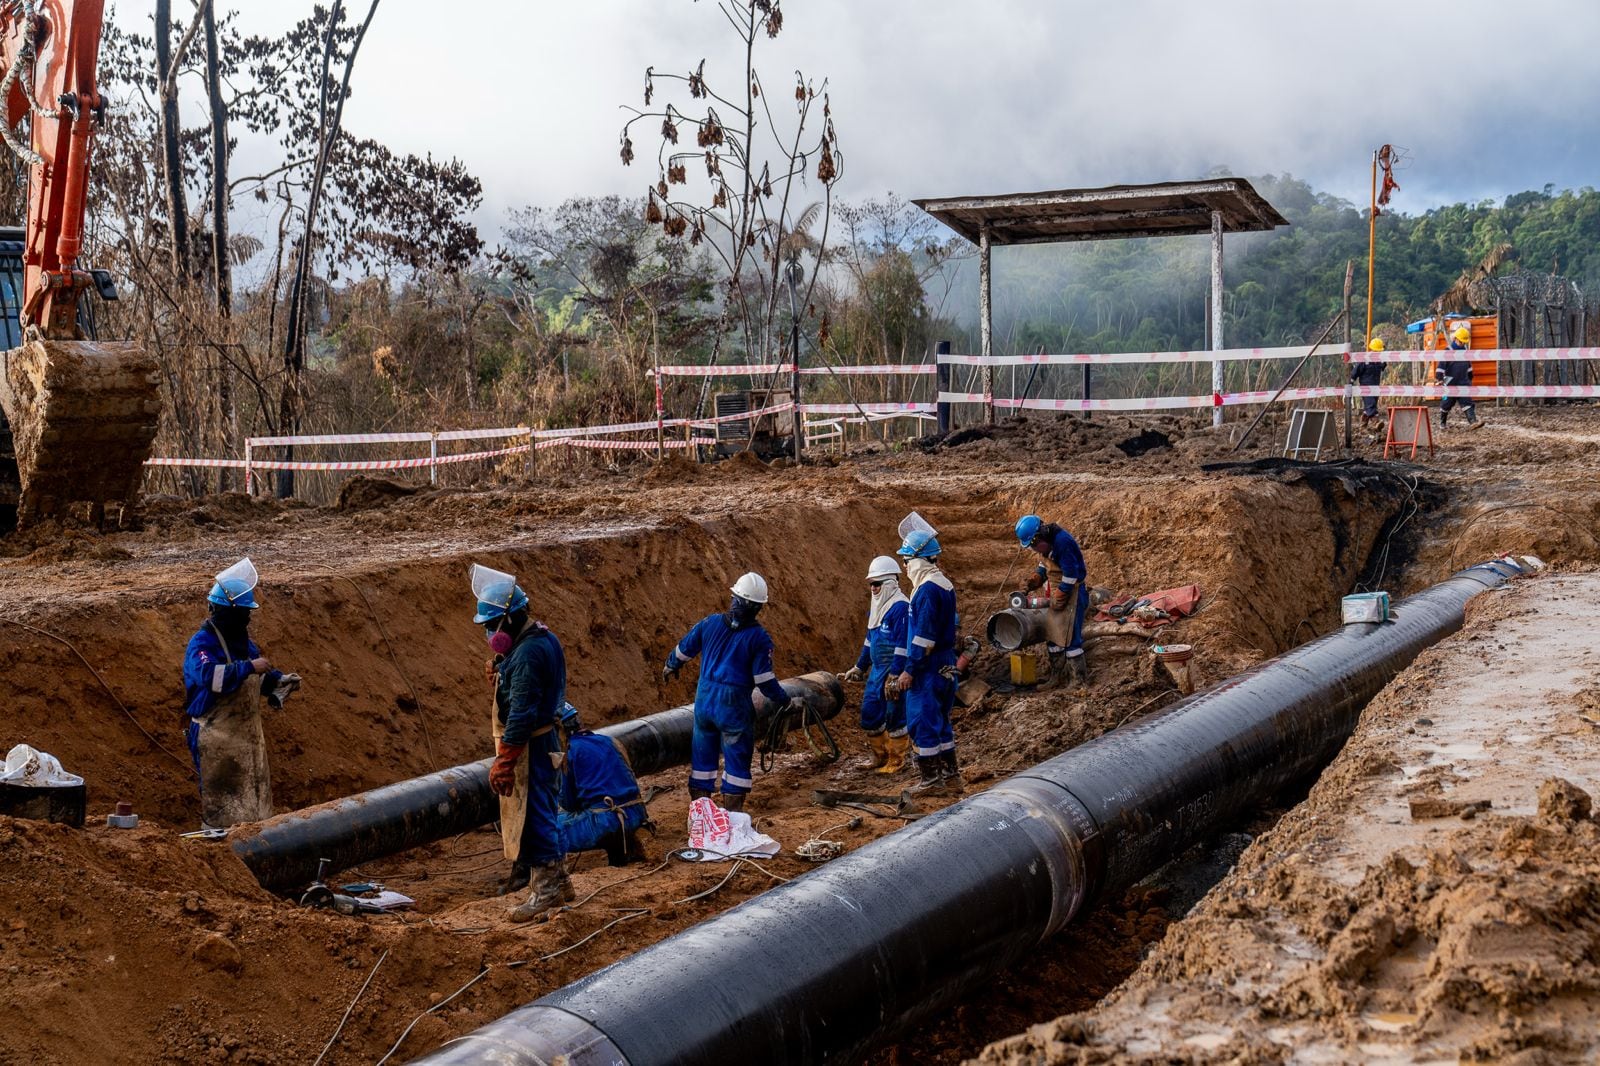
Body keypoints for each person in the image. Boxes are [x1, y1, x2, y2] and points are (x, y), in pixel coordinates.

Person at [474, 563, 572, 923]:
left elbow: (522, 714)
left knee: (534, 819)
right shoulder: (538, 639)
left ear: (510, 620)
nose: (488, 632)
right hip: (545, 741)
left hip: (532, 745)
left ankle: (545, 891)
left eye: (490, 626)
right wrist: (503, 668)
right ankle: (559, 883)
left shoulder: (529, 654)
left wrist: (505, 761)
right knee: (545, 812)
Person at [663, 572, 799, 813]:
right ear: (758, 608)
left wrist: (671, 665)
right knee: (736, 761)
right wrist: (785, 701)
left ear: (733, 597)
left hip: (704, 703)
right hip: (733, 706)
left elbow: (683, 650)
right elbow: (764, 681)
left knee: (703, 760)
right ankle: (732, 819)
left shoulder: (710, 623)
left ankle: (701, 816)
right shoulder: (759, 638)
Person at [182, 557, 301, 831]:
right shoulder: (202, 643)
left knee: (255, 806)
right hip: (216, 737)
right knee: (222, 806)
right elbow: (211, 678)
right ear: (227, 613)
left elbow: (257, 675)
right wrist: (249, 666)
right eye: (244, 613)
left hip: (246, 740)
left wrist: (277, 681)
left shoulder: (241, 642)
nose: (248, 618)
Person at [894, 518, 961, 793]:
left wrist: (910, 669)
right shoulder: (944, 584)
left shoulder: (926, 590)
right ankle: (951, 776)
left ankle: (932, 780)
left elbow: (923, 638)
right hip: (946, 663)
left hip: (928, 668)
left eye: (907, 559)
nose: (905, 566)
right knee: (941, 721)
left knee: (922, 720)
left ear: (918, 559)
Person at [840, 555, 910, 775]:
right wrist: (860, 666)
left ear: (889, 582)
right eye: (871, 583)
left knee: (894, 714)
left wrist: (896, 674)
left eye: (877, 584)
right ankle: (878, 756)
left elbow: (903, 645)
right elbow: (870, 640)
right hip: (877, 670)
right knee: (870, 712)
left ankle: (896, 760)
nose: (873, 588)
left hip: (893, 670)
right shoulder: (876, 608)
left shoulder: (900, 608)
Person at [556, 703, 649, 866]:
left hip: (605, 821)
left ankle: (544, 876)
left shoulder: (570, 753)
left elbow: (569, 804)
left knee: (541, 828)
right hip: (635, 813)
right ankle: (626, 847)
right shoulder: (608, 741)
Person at [1015, 515, 1088, 687]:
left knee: (1071, 638)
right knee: (1052, 635)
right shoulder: (1044, 545)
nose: (1034, 549)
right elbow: (1044, 566)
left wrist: (1061, 595)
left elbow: (1071, 575)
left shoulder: (1063, 542)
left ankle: (1078, 681)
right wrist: (1033, 580)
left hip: (1074, 594)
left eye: (1033, 545)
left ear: (1040, 535)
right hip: (1056, 593)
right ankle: (1056, 677)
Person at [1436, 324, 1481, 430]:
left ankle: (1473, 422)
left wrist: (1470, 374)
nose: (1462, 344)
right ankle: (1442, 422)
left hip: (1463, 381)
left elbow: (1468, 364)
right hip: (1449, 381)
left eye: (1464, 342)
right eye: (1461, 341)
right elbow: (1441, 366)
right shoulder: (1448, 350)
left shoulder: (1465, 351)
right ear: (1455, 339)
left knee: (1467, 401)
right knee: (1446, 403)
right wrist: (1439, 377)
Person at [1352, 337, 1386, 431]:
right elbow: (1356, 371)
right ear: (1371, 349)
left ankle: (1363, 424)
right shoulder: (1364, 360)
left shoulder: (1379, 361)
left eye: (1379, 351)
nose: (1378, 353)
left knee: (1372, 404)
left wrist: (1384, 357)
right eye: (1376, 351)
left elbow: (1383, 366)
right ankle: (1376, 421)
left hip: (1375, 386)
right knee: (1370, 403)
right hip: (1366, 387)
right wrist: (1351, 381)